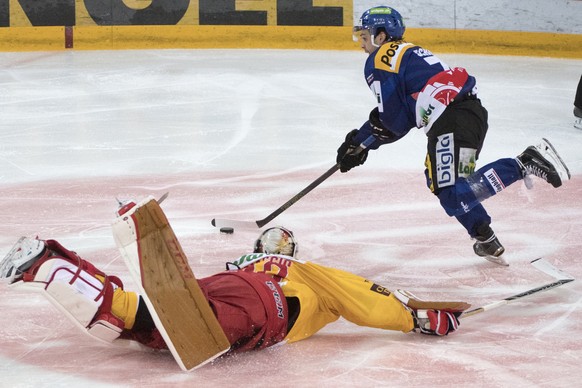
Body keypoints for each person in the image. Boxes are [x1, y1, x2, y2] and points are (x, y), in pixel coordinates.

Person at [0, 226, 466, 360]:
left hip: (221, 287)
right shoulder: (303, 268)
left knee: (144, 320)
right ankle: (49, 263)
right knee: (165, 326)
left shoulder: (242, 265)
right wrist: (416, 318)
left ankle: (54, 257)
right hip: (268, 308)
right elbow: (360, 296)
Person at [336, 6, 571, 265]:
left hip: (450, 121)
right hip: (469, 116)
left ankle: (523, 162)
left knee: (448, 188)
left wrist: (361, 142)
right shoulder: (409, 52)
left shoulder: (380, 59)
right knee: (451, 185)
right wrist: (363, 141)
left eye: (365, 35)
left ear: (381, 36)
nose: (362, 43)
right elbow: (398, 119)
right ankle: (483, 235)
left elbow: (394, 122)